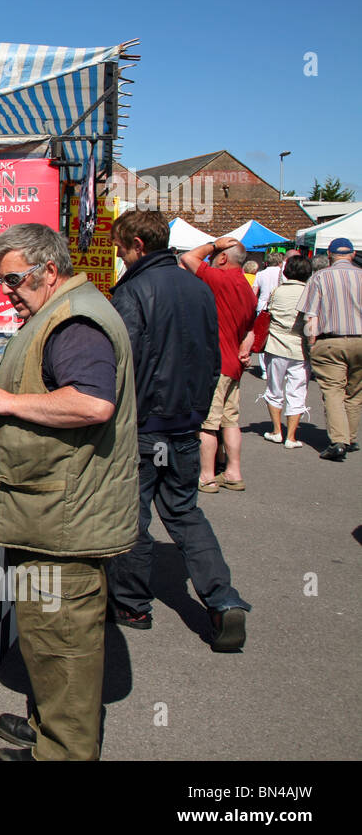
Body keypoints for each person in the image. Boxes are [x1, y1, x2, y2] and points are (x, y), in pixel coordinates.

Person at [0, 223, 137, 761]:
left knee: (63, 646)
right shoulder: (56, 314)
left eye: (14, 278)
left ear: (49, 270)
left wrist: (6, 405)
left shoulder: (76, 322)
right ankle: (50, 732)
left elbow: (92, 403)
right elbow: (19, 376)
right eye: (2, 279)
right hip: (51, 514)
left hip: (63, 521)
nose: (6, 288)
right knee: (47, 642)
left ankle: (62, 751)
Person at [105, 210, 250, 652]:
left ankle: (132, 604)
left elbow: (120, 360)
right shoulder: (197, 287)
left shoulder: (133, 290)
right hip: (186, 420)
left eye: (120, 245)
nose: (117, 252)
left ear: (137, 245)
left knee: (133, 516)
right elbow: (211, 352)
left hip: (147, 423)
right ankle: (222, 598)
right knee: (185, 512)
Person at [180, 238, 256, 492]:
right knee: (230, 421)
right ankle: (234, 471)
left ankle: (206, 475)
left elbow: (188, 258)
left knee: (208, 424)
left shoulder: (221, 279)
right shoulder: (247, 288)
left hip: (216, 362)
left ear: (223, 258)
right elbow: (249, 330)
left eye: (216, 256)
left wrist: (213, 245)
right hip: (234, 362)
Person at [298, 237, 362, 460]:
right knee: (355, 392)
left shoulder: (319, 277)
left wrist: (310, 343)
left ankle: (339, 440)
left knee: (333, 391)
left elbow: (310, 314)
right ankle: (350, 437)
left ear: (330, 256)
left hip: (331, 340)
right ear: (353, 254)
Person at [262, 254, 312, 448]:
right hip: (299, 348)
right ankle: (291, 436)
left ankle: (276, 430)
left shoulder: (277, 291)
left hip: (276, 345)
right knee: (297, 392)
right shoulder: (309, 292)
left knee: (274, 390)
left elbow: (269, 312)